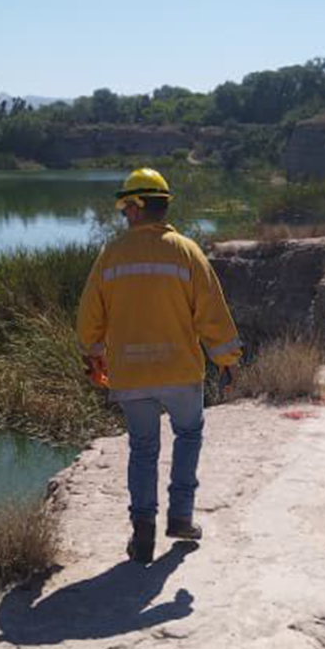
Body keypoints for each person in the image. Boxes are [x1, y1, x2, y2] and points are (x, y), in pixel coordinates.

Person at [76, 168, 242, 564]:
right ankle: (181, 518)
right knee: (188, 436)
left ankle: (143, 533)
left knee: (143, 449)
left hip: (131, 374)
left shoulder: (111, 255)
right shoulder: (187, 252)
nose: (123, 216)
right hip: (181, 371)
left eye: (124, 209)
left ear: (135, 208)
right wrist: (227, 359)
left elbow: (89, 318)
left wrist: (92, 354)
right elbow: (211, 314)